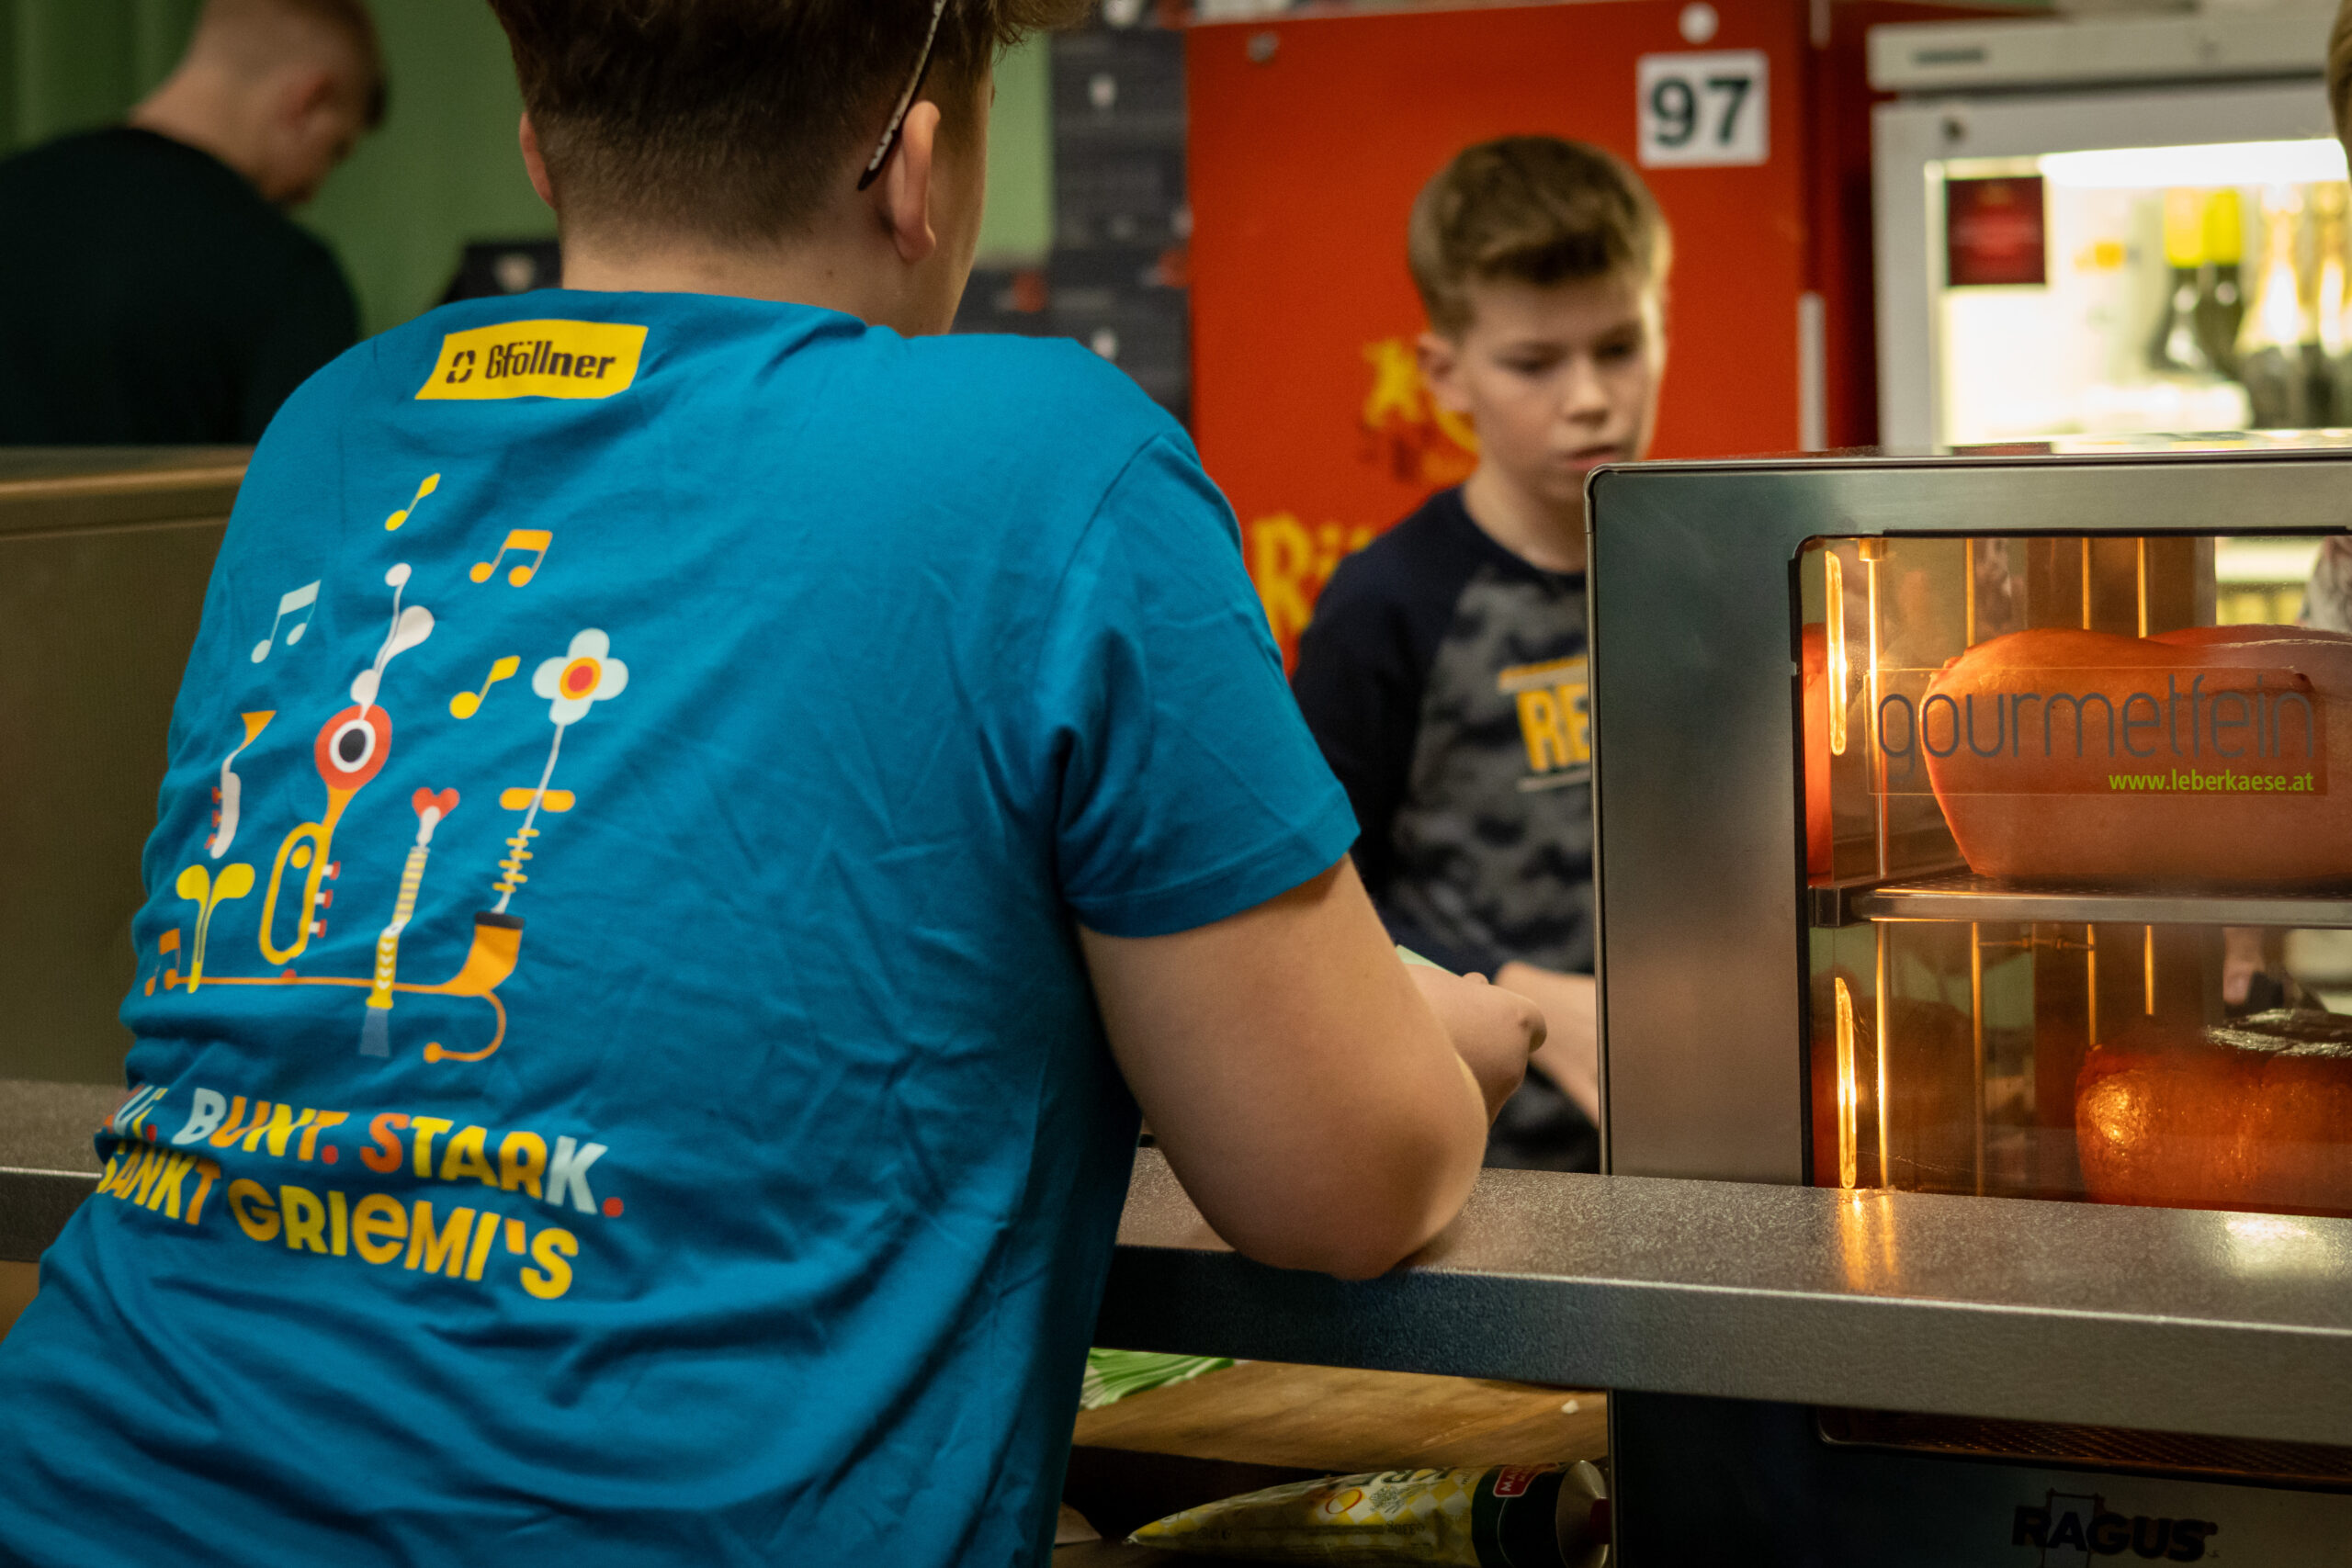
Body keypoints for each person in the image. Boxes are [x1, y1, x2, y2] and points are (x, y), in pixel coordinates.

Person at [0, 2, 1541, 1564]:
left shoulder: (328, 432)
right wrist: (1461, 1044)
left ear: (541, 151)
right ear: (917, 170)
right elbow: (1344, 1184)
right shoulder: (1055, 462)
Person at [1290, 137, 1671, 1172]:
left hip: (1699, 1139)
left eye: (1619, 347)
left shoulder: (1710, 576)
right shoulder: (1388, 604)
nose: (1588, 397)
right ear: (1445, 375)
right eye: (1533, 364)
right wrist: (1505, 984)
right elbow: (1309, 908)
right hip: (1477, 1157)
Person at [0, 0, 384, 446]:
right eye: (335, 149)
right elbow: (308, 480)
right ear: (308, 100)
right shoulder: (287, 272)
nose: (313, 190)